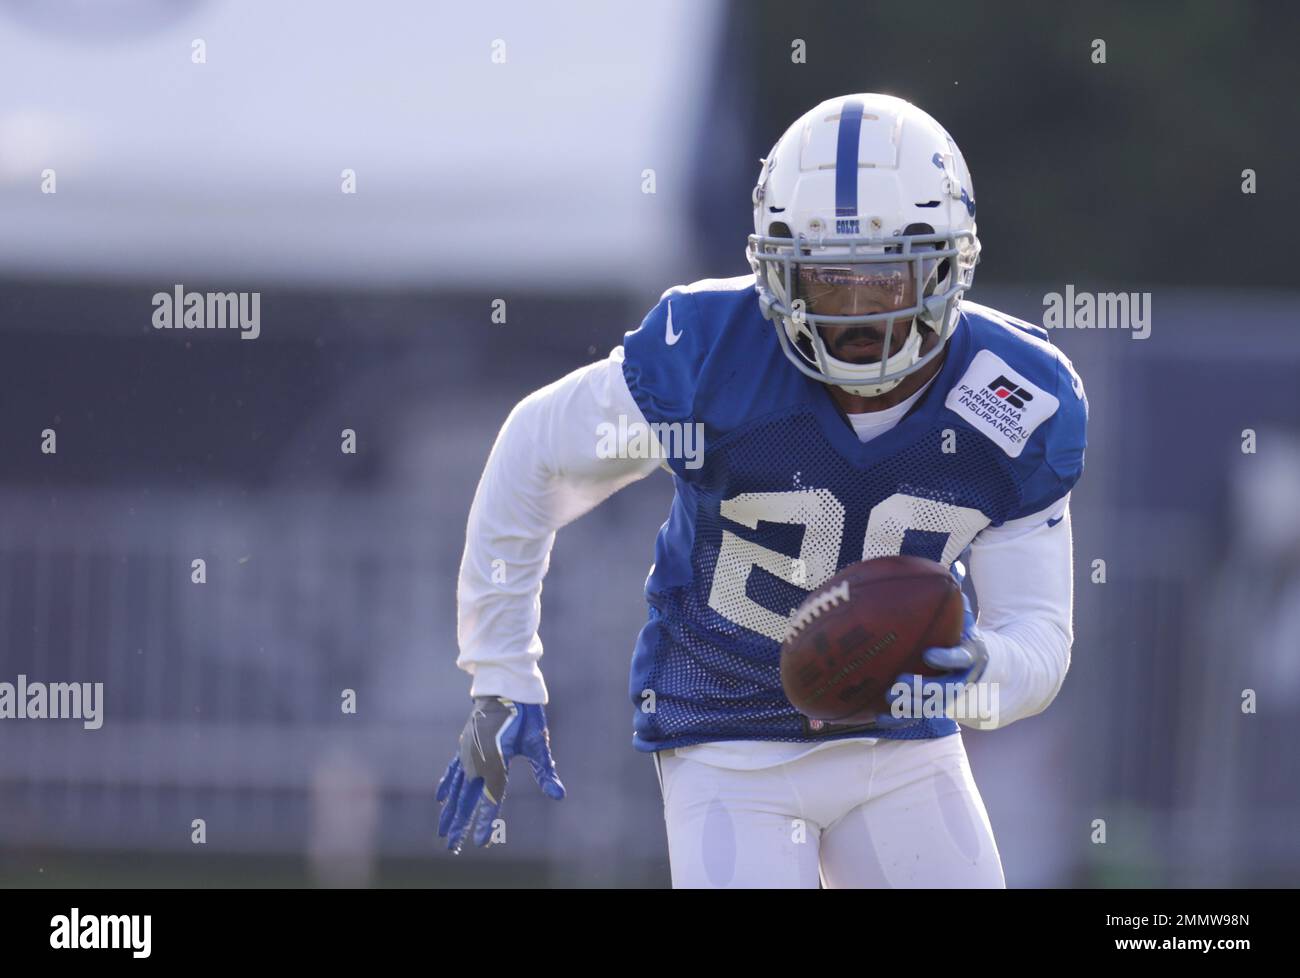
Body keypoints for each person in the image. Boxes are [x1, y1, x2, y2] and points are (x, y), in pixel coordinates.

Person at [437, 93, 1087, 888]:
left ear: (949, 264)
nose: (857, 318)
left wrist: (977, 672)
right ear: (775, 271)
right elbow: (536, 453)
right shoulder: (709, 354)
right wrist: (500, 669)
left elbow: (1039, 638)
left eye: (885, 282)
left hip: (898, 742)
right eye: (827, 282)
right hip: (726, 735)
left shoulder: (1014, 395)